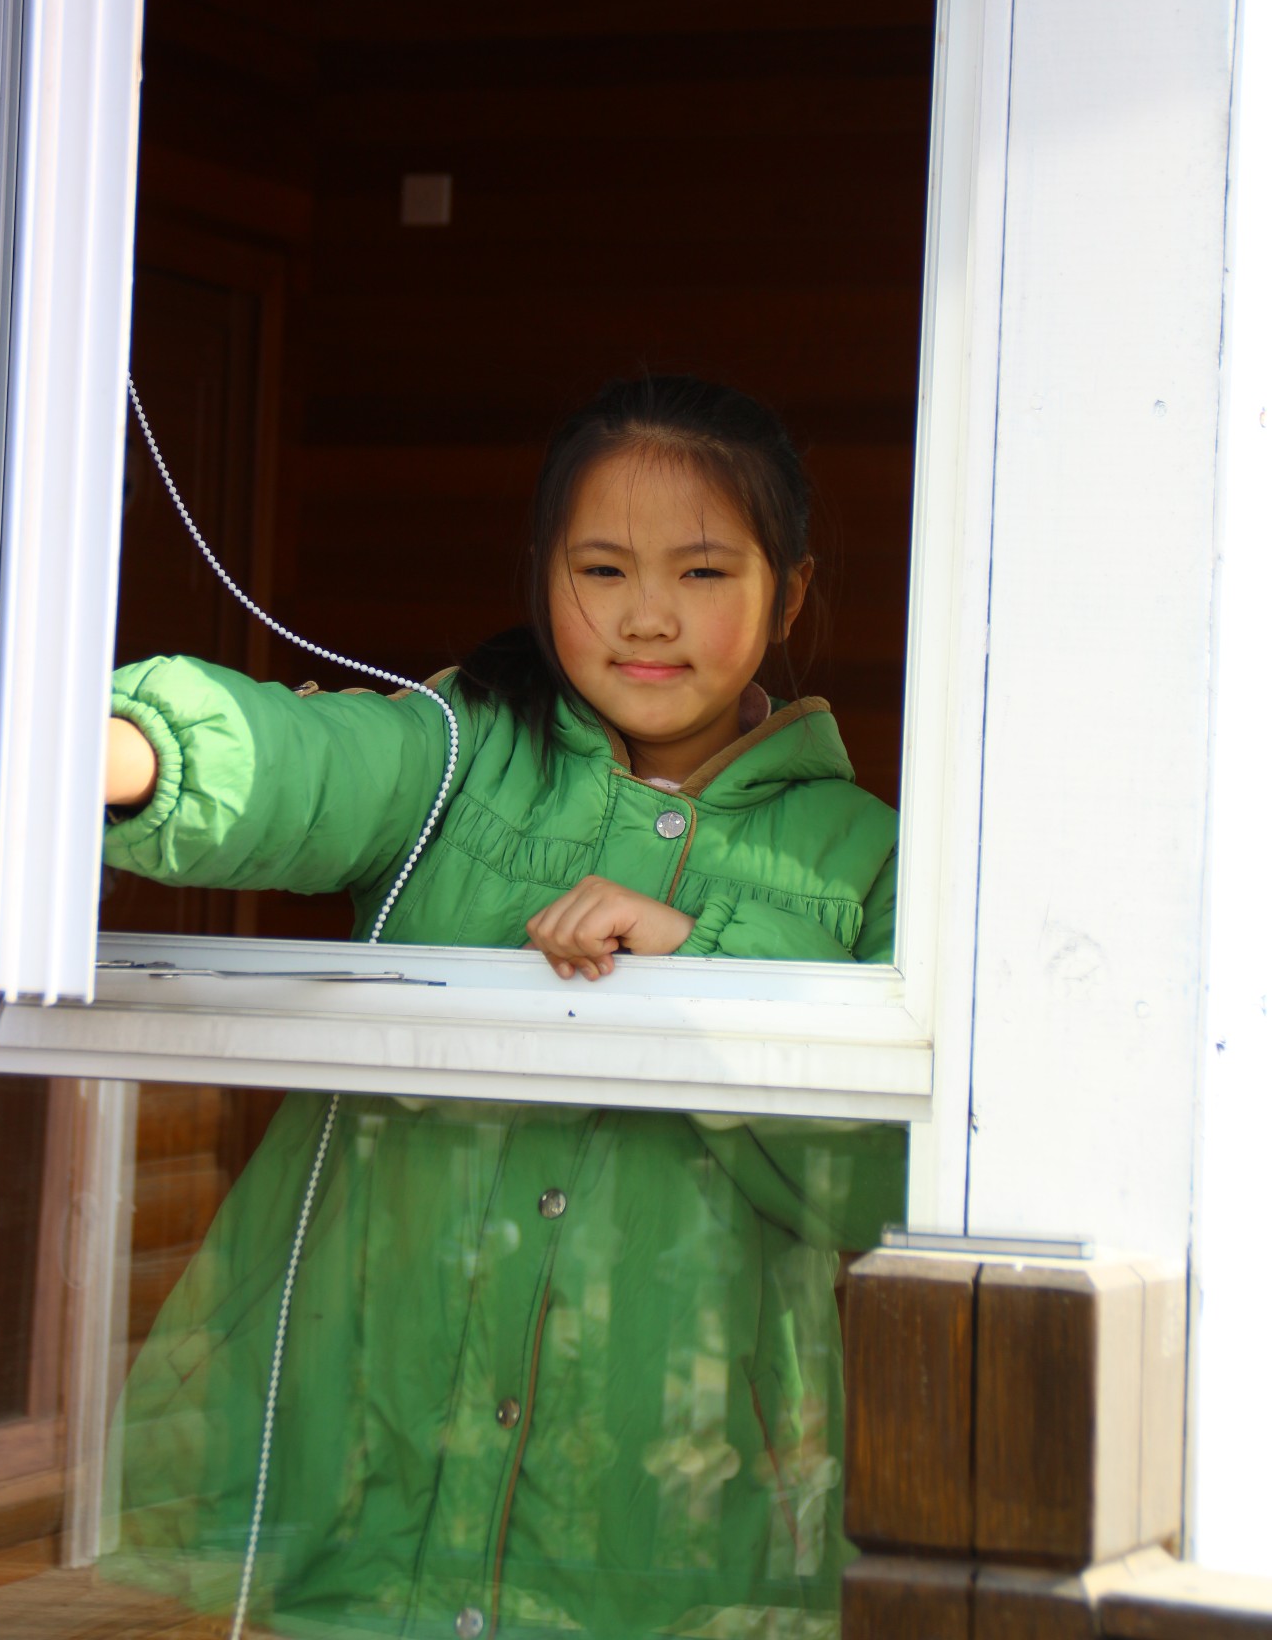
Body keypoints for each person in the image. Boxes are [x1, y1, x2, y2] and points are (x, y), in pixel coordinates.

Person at [100, 375, 904, 1640]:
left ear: (788, 591)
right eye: (602, 567)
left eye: (702, 573)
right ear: (543, 575)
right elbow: (305, 766)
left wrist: (704, 960)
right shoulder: (458, 757)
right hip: (371, 1461)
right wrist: (131, 750)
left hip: (672, 1507)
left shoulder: (866, 861)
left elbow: (875, 1185)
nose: (647, 616)